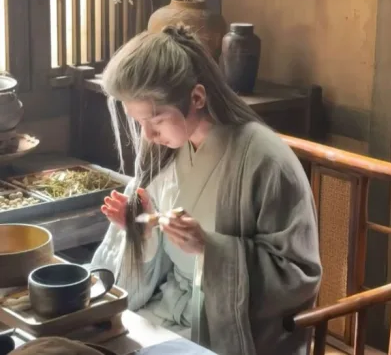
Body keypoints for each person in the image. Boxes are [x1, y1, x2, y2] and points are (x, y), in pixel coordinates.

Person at [90, 24, 322, 355]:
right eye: (140, 123)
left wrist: (210, 249)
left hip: (223, 331)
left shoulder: (265, 160)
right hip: (162, 315)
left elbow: (299, 275)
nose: (148, 135)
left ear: (197, 98)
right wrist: (142, 234)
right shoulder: (162, 153)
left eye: (155, 121)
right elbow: (127, 286)